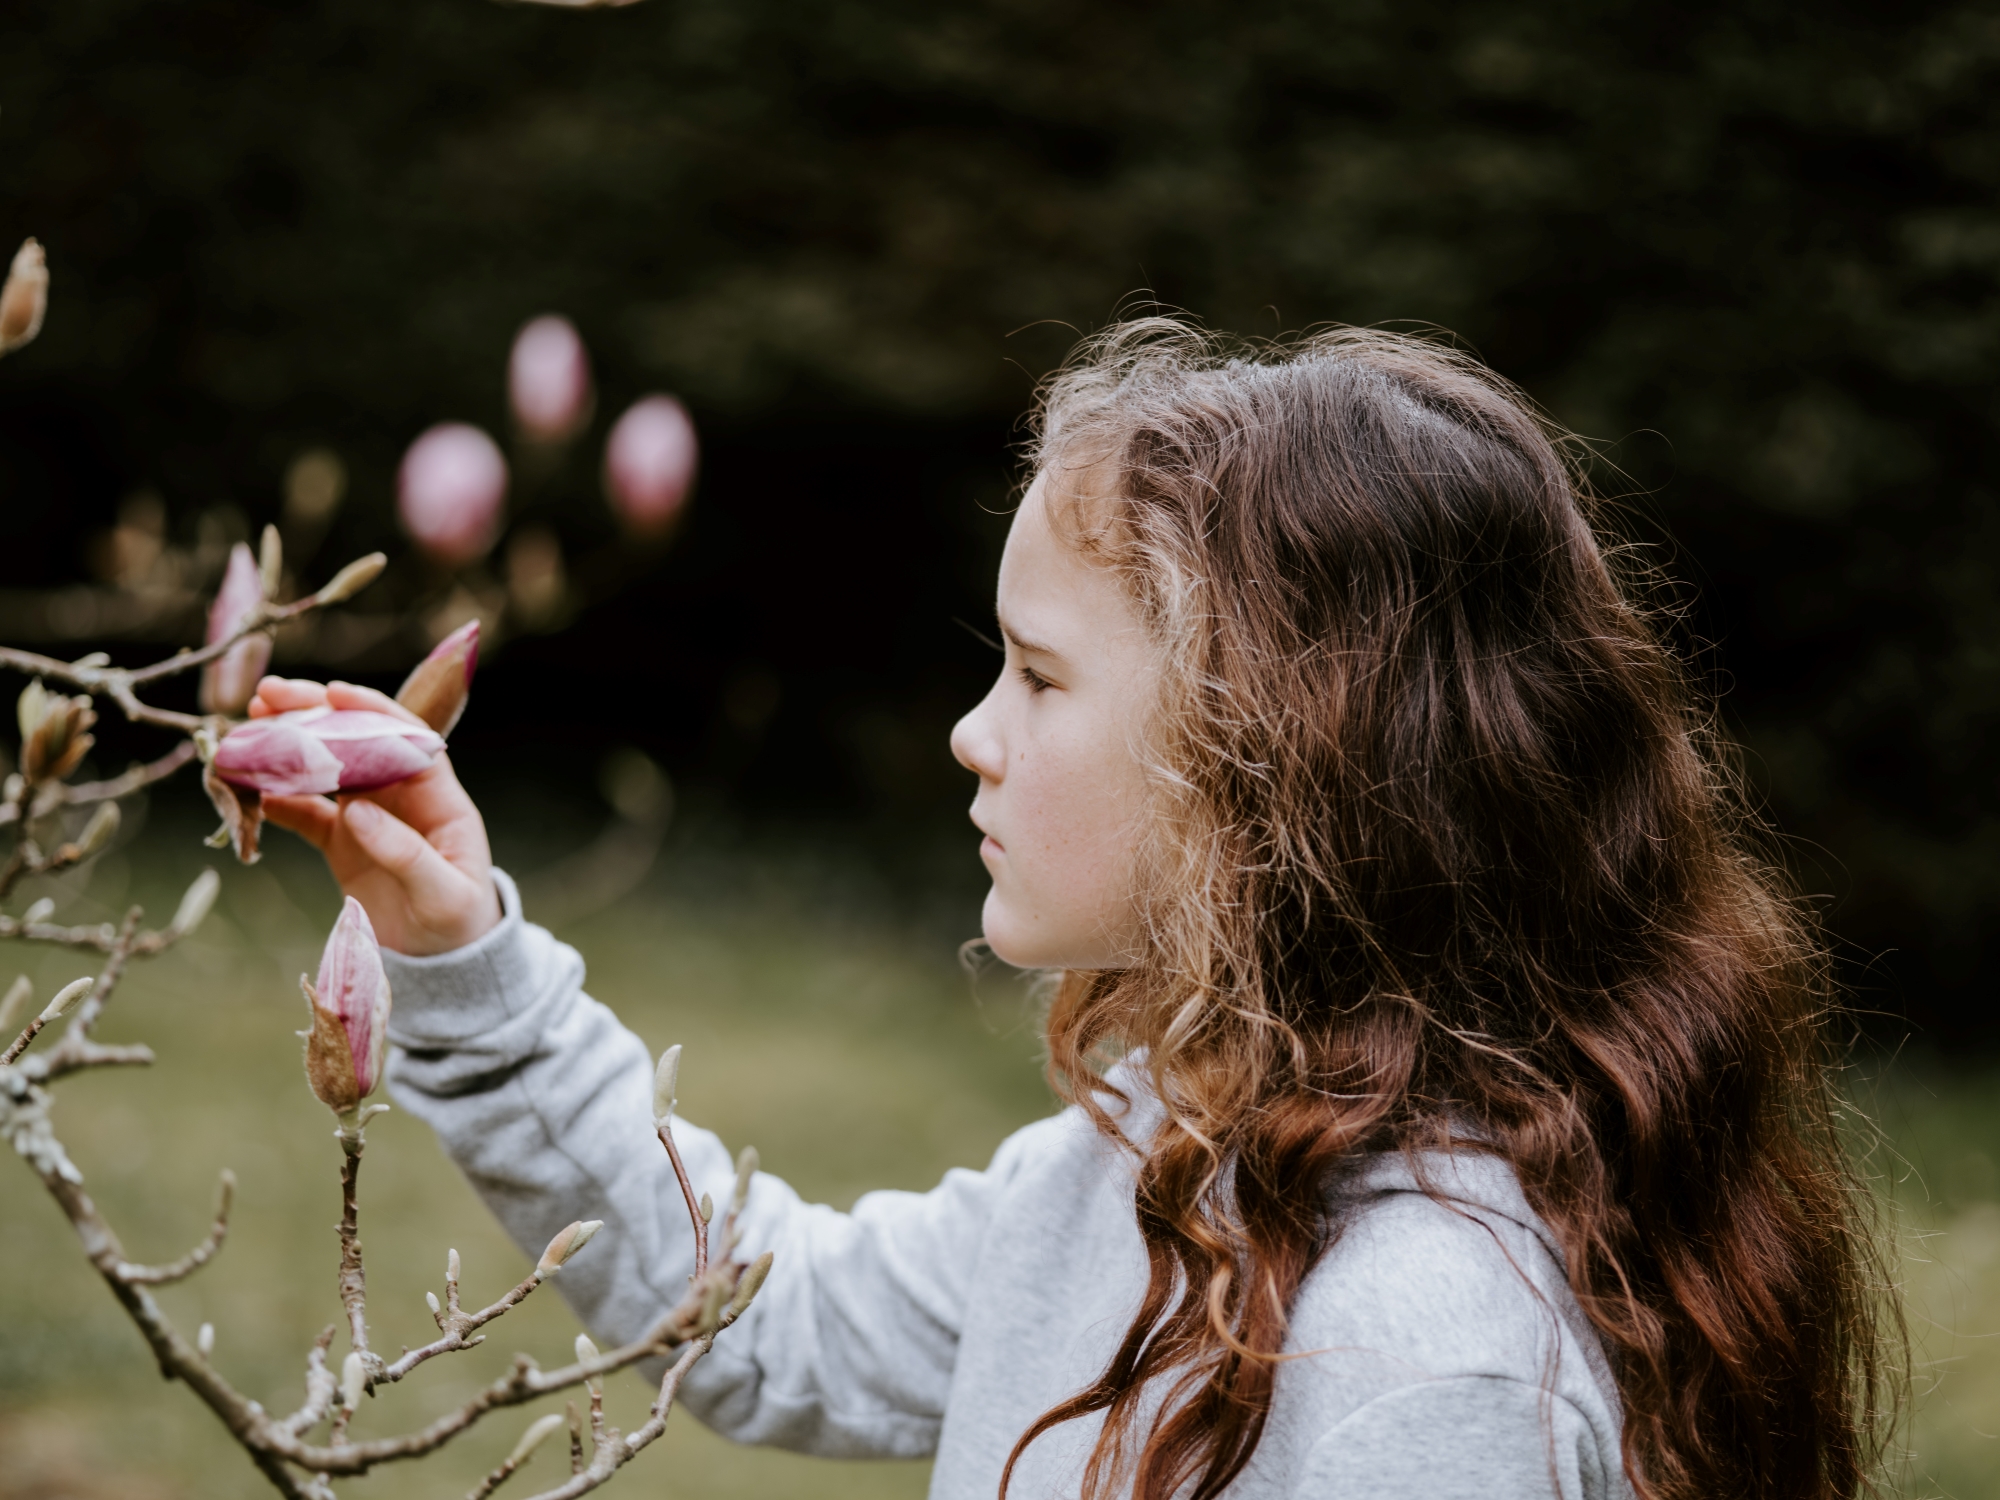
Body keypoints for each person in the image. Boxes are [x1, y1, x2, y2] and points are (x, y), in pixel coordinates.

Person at [250, 320, 1894, 1500]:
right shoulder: (1166, 1146)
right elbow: (776, 1320)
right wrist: (464, 953)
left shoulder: (1430, 1362)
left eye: (1038, 675)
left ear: (1274, 765)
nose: (973, 731)